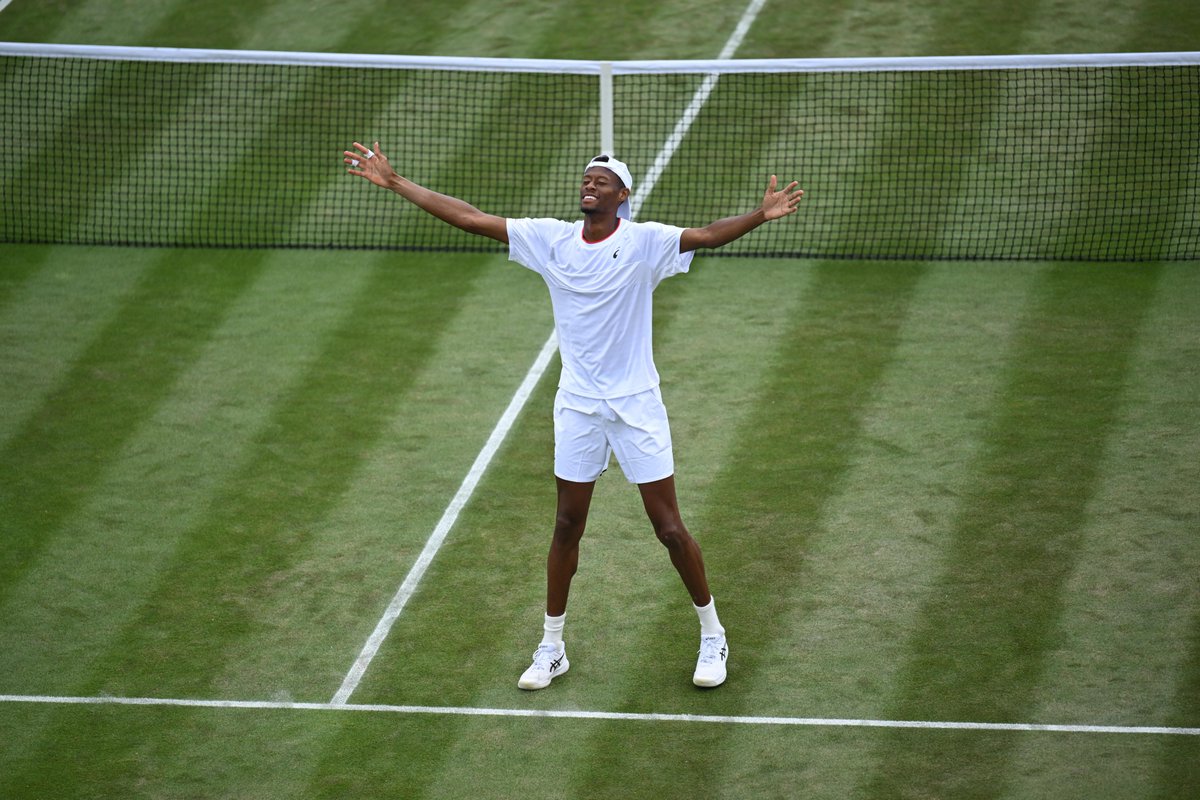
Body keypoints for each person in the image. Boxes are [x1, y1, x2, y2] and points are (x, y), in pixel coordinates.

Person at [344, 142, 804, 689]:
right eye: (586, 179)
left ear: (622, 196)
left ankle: (712, 634)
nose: (590, 185)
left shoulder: (645, 243)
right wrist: (398, 184)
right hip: (578, 406)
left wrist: (759, 214)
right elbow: (470, 217)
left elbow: (704, 235)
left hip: (636, 406)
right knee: (566, 525)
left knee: (669, 528)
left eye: (602, 181)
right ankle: (552, 646)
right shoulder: (550, 239)